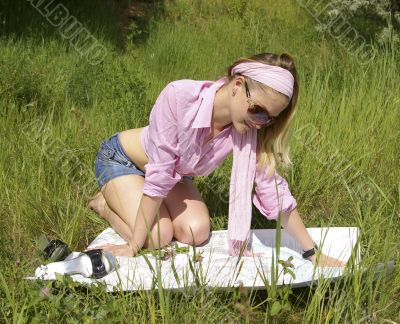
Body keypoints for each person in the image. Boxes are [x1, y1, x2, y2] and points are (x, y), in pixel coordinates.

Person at [88, 53, 345, 267]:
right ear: (237, 86)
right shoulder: (178, 96)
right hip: (122, 160)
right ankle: (103, 204)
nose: (260, 123)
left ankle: (136, 204)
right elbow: (159, 176)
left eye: (269, 118)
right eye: (258, 111)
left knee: (196, 231)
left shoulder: (248, 130)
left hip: (173, 176)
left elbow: (271, 189)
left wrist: (313, 253)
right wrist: (133, 246)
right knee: (157, 236)